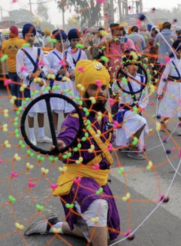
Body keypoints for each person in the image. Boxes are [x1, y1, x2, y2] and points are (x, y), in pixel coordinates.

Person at [24, 60, 120, 245]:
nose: (101, 93)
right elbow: (65, 138)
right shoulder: (74, 119)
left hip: (99, 180)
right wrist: (60, 145)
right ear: (84, 91)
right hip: (79, 180)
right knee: (99, 206)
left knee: (107, 236)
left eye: (104, 88)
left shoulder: (106, 116)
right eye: (94, 88)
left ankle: (54, 226)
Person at [16, 24, 52, 145]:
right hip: (29, 85)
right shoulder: (20, 53)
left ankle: (41, 135)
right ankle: (31, 136)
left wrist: (41, 71)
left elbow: (46, 65)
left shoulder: (39, 50)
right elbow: (19, 70)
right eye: (28, 35)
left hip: (40, 85)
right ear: (24, 37)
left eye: (32, 35)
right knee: (31, 111)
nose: (30, 38)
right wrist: (30, 75)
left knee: (41, 109)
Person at [112, 51, 149, 159]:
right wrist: (120, 77)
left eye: (135, 64)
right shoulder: (122, 78)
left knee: (140, 122)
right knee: (141, 122)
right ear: (125, 65)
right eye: (131, 64)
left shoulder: (142, 78)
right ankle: (133, 148)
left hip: (136, 109)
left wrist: (140, 107)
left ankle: (132, 145)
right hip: (125, 111)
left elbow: (145, 97)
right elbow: (114, 89)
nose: (134, 67)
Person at [157, 40, 181, 136]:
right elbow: (164, 77)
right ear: (175, 50)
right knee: (171, 107)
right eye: (179, 50)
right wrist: (160, 92)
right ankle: (167, 124)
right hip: (172, 87)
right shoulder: (170, 62)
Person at [44, 29, 75, 133]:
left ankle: (66, 131)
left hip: (67, 84)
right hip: (57, 85)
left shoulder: (67, 54)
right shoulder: (50, 55)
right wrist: (57, 71)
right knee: (56, 110)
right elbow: (46, 71)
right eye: (59, 41)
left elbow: (72, 69)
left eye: (64, 41)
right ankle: (55, 132)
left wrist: (69, 67)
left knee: (68, 109)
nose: (62, 44)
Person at [1, 25, 25, 109]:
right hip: (20, 69)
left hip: (10, 69)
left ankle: (15, 105)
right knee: (19, 87)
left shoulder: (5, 43)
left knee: (13, 88)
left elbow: (1, 50)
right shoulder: (22, 42)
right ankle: (20, 103)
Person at [66, 28, 88, 98]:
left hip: (80, 81)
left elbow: (86, 66)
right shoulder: (65, 53)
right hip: (69, 81)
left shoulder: (82, 53)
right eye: (73, 40)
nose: (76, 42)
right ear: (70, 41)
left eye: (77, 40)